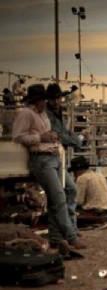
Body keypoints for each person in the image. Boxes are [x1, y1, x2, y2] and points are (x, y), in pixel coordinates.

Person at [12, 84, 85, 249]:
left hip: (52, 157)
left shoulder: (41, 114)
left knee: (58, 196)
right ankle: (70, 236)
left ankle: (57, 237)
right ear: (38, 100)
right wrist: (41, 137)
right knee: (59, 196)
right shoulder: (27, 114)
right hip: (42, 159)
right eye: (44, 99)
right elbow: (18, 137)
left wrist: (50, 137)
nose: (46, 102)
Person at [46, 83, 82, 234]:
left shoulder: (56, 111)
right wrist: (76, 141)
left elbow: (62, 132)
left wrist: (73, 139)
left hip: (54, 156)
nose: (56, 101)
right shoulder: (47, 114)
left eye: (57, 98)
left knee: (67, 190)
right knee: (64, 192)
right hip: (50, 156)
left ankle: (69, 227)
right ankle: (67, 229)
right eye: (53, 98)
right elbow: (58, 134)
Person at [69, 155, 107, 224]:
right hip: (105, 213)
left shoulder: (82, 178)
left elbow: (79, 201)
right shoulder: (100, 175)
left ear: (77, 170)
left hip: (92, 212)